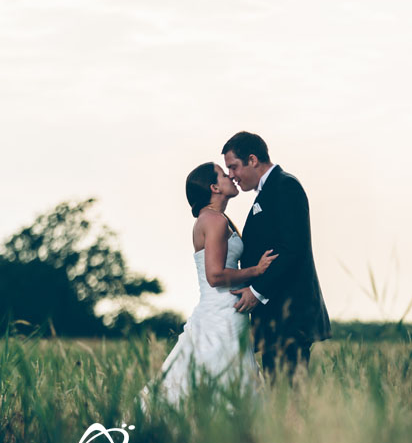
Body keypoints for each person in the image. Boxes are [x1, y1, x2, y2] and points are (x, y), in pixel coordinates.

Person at [139, 162, 277, 410]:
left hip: (223, 310)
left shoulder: (215, 218)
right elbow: (215, 276)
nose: (231, 177)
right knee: (224, 379)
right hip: (221, 313)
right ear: (214, 187)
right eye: (224, 175)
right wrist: (256, 270)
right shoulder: (214, 220)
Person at [223, 131, 331, 378]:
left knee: (288, 398)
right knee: (280, 397)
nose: (231, 175)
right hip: (276, 319)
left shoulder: (285, 186)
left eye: (233, 167)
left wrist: (257, 291)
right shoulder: (268, 191)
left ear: (252, 159)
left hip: (289, 316)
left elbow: (292, 248)